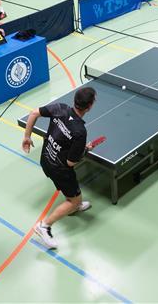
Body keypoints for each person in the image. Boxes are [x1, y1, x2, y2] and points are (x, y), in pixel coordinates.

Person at [23, 87, 98, 250]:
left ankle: (75, 206)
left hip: (46, 159)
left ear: (74, 100)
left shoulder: (60, 108)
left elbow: (33, 113)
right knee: (74, 199)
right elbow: (71, 163)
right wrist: (84, 150)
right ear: (90, 106)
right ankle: (44, 226)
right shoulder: (79, 131)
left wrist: (27, 137)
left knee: (72, 191)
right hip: (60, 169)